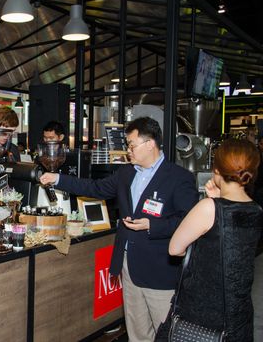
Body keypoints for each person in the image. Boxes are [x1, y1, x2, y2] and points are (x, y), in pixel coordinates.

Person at [39, 116, 199, 341]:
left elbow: (188, 221)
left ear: (150, 144)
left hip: (160, 271)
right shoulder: (126, 173)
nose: (128, 151)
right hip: (128, 266)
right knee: (137, 332)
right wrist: (57, 179)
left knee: (167, 334)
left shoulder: (179, 178)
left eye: (132, 145)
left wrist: (153, 225)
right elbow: (94, 187)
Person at [161, 139, 263, 341]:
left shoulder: (208, 208)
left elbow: (175, 248)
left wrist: (210, 201)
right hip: (237, 312)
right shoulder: (256, 210)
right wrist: (217, 197)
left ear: (216, 170)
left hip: (203, 314)